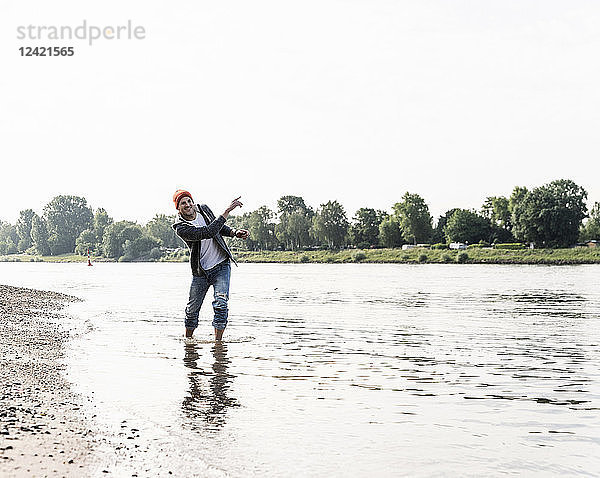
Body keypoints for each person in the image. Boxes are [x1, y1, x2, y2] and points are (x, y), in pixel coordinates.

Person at [172, 189, 249, 341]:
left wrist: (234, 232)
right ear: (178, 208)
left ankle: (218, 345)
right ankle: (188, 342)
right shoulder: (181, 227)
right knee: (192, 309)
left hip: (221, 265)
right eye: (183, 203)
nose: (187, 205)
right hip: (201, 272)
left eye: (189, 201)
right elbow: (208, 231)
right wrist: (227, 211)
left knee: (221, 303)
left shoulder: (204, 209)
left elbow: (217, 227)